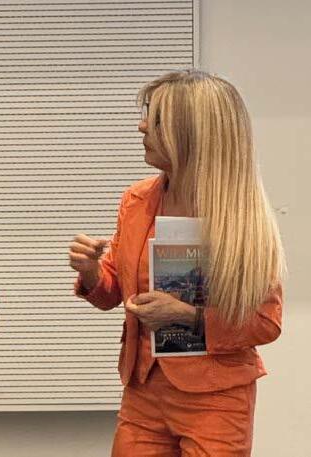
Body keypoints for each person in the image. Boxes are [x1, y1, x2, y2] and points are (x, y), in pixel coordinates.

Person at [69, 69, 285, 456]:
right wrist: (91, 272)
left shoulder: (241, 218)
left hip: (216, 397)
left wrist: (186, 315)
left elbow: (265, 323)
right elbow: (112, 292)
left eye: (156, 121)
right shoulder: (136, 200)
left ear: (192, 133)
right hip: (143, 391)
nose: (141, 127)